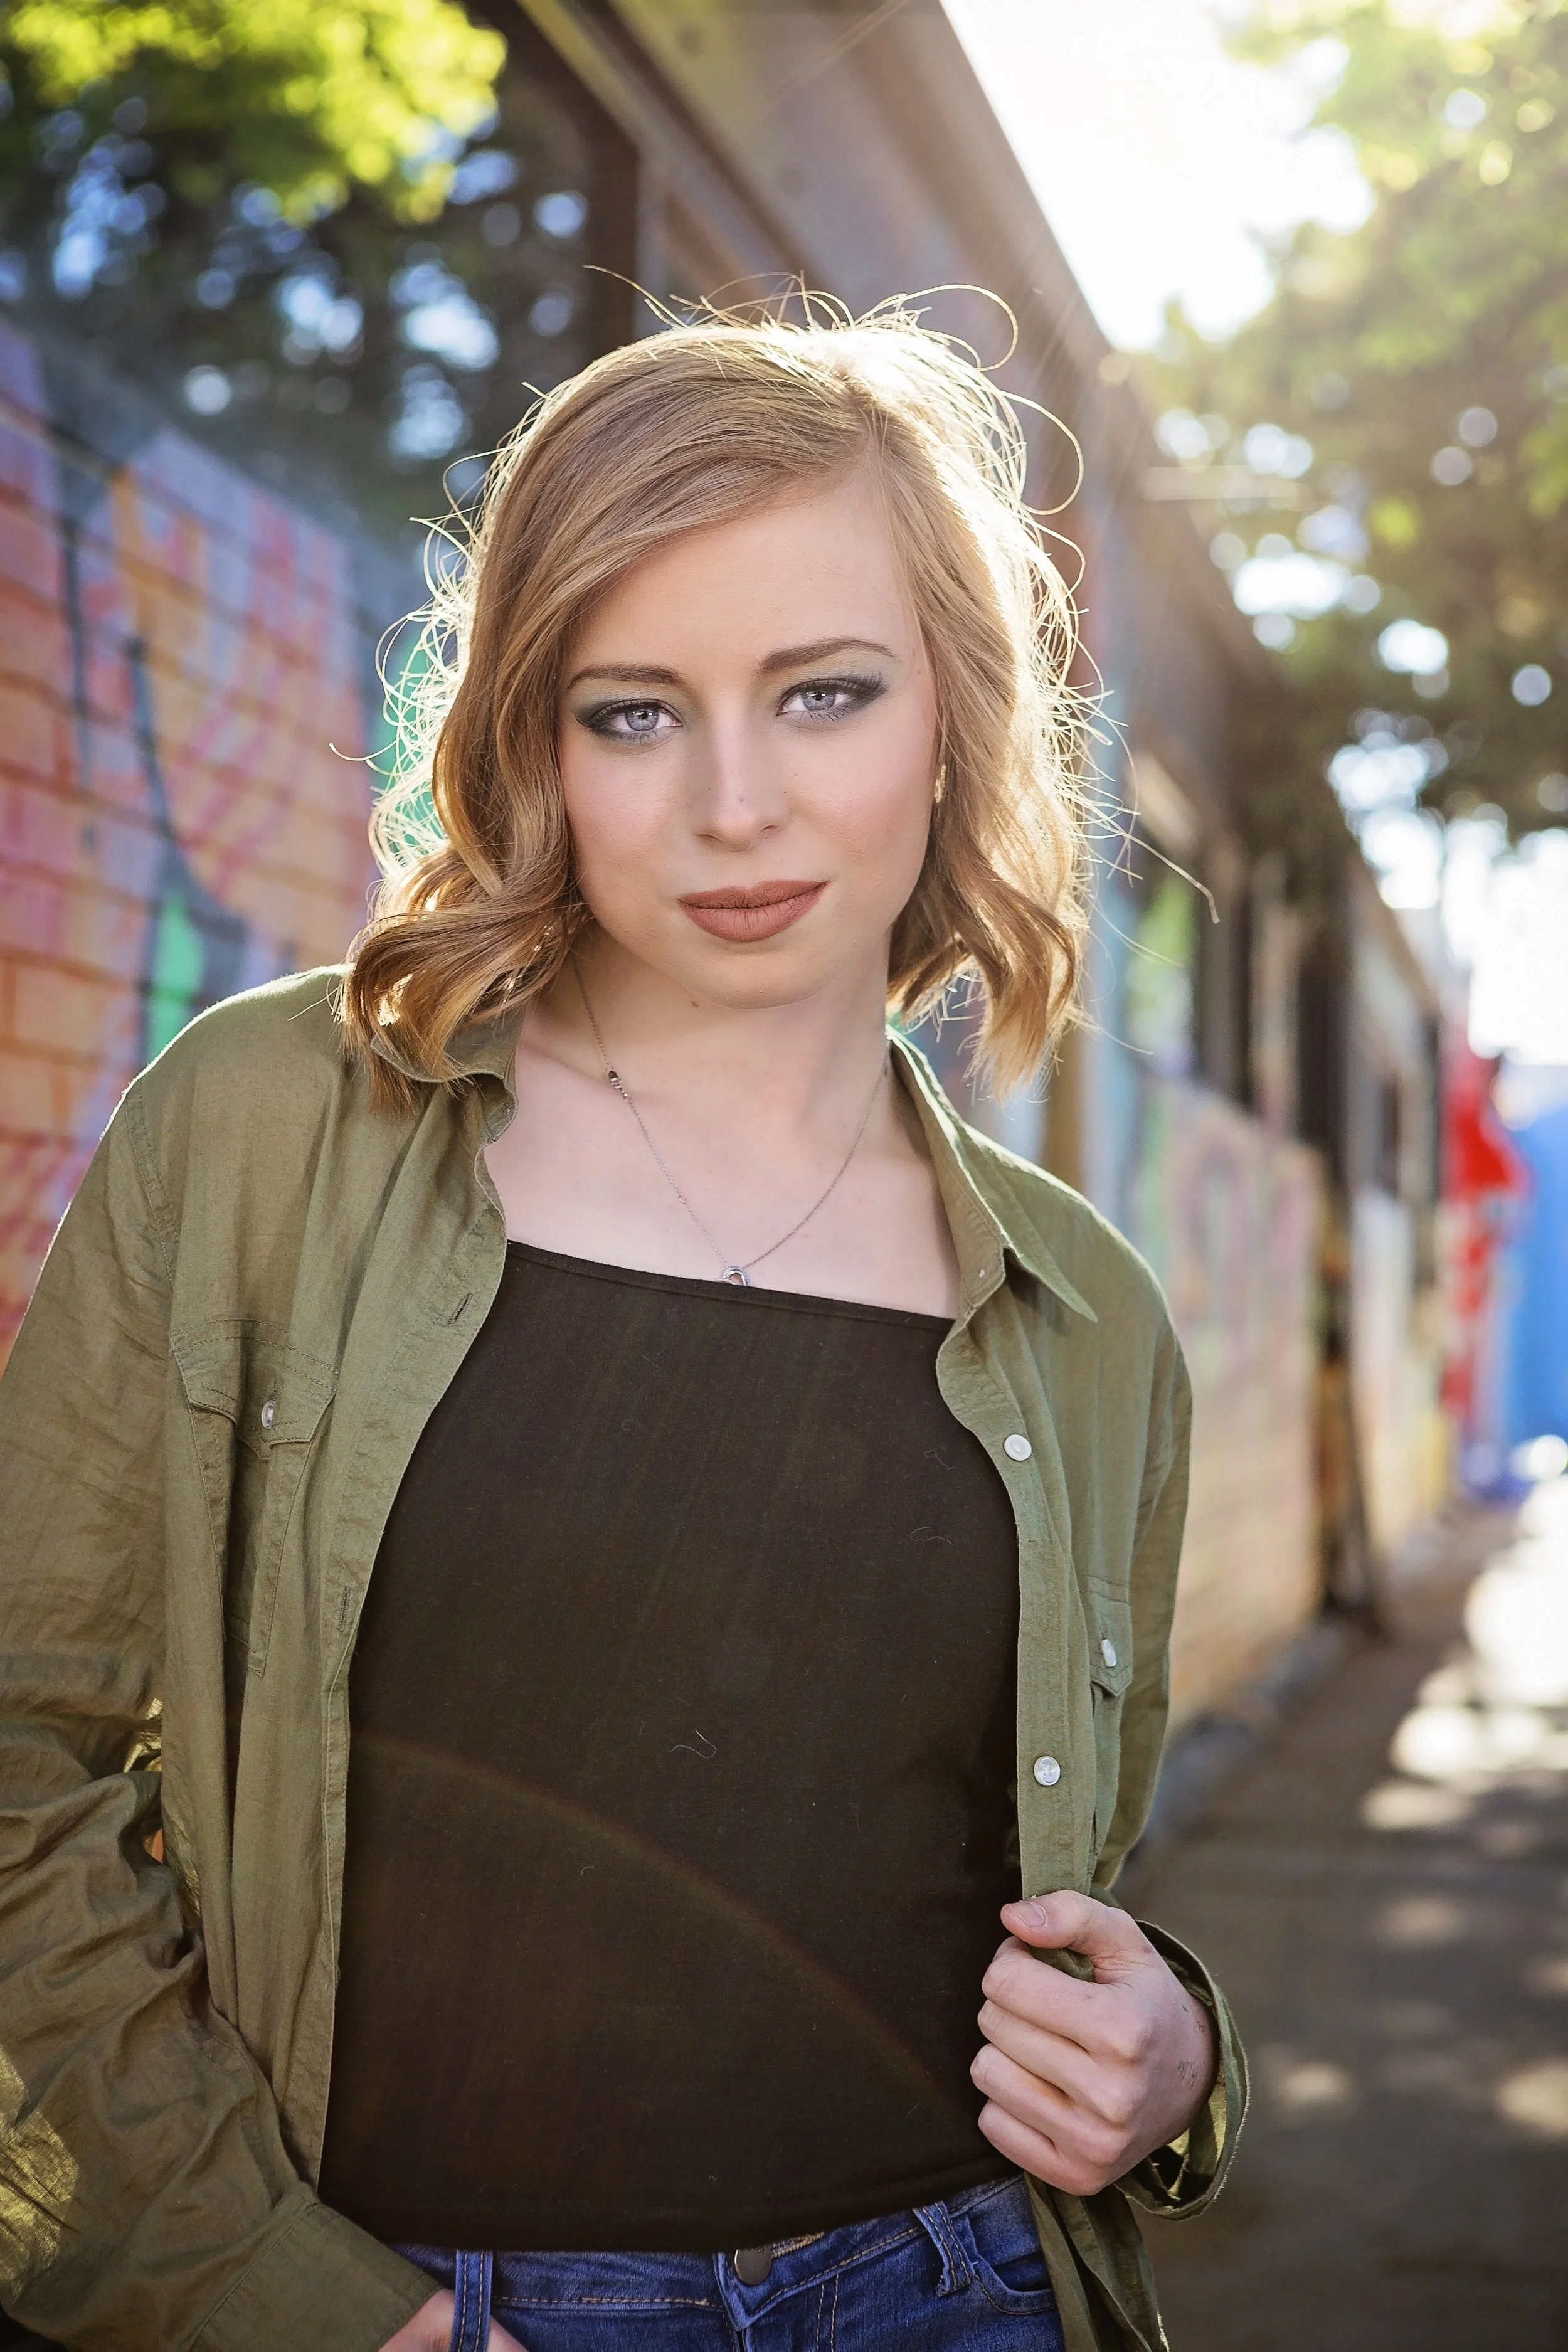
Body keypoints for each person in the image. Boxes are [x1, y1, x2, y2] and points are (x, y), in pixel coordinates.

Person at [0, 305, 1244, 2352]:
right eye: (636, 711)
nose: (736, 802)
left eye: (824, 692)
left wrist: (1179, 2053)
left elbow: (1043, 1895)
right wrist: (308, 2307)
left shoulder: (1086, 1316)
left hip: (956, 2288)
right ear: (533, 743)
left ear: (951, 713)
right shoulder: (260, 1134)